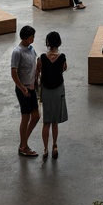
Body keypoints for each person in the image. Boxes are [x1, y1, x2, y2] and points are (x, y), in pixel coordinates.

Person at [37, 30, 68, 160]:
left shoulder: (42, 57)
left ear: (48, 43)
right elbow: (64, 68)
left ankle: (45, 149)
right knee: (55, 121)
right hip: (58, 90)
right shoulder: (62, 57)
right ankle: (54, 145)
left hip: (47, 91)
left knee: (46, 122)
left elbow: (38, 71)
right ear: (59, 42)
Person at [11, 24, 40, 157]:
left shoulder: (31, 49)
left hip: (32, 88)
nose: (33, 39)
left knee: (36, 116)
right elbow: (14, 72)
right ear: (24, 38)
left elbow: (35, 63)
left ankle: (23, 143)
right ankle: (23, 146)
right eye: (31, 37)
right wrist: (22, 88)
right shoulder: (17, 52)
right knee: (26, 117)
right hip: (24, 90)